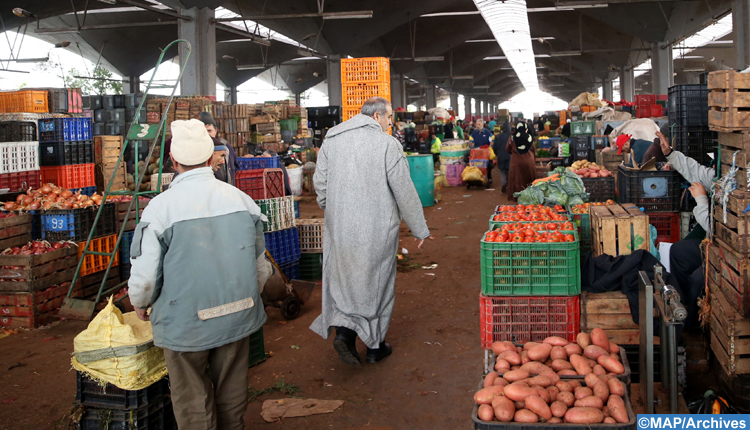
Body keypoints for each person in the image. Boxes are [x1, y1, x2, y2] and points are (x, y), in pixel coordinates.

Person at [128, 119, 266, 429]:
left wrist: (140, 303)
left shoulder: (160, 209)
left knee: (193, 401)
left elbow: (147, 277)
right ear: (209, 158)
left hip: (186, 324)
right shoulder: (242, 201)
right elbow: (260, 268)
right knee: (232, 395)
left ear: (174, 161)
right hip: (238, 314)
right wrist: (246, 296)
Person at [310, 97, 430, 365]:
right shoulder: (387, 144)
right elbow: (404, 190)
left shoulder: (332, 139)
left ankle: (344, 333)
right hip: (377, 227)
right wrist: (419, 229)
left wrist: (332, 210)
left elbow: (320, 182)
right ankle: (375, 347)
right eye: (389, 117)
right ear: (377, 116)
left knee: (344, 279)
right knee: (378, 282)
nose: (390, 123)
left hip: (339, 226)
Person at [656, 131, 712, 329]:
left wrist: (701, 199)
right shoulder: (729, 176)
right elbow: (698, 172)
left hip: (727, 252)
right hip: (714, 245)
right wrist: (670, 153)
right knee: (679, 251)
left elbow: (712, 227)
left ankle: (690, 327)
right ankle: (682, 307)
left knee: (698, 277)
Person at [200, 111, 240, 185]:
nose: (207, 134)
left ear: (215, 131)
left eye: (209, 131)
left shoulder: (225, 146)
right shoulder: (198, 148)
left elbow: (235, 165)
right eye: (204, 131)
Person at [506, 122, 537, 201]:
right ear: (526, 129)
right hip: (529, 161)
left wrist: (515, 153)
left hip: (516, 161)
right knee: (529, 178)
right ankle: (530, 197)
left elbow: (507, 149)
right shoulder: (530, 137)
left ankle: (517, 197)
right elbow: (533, 150)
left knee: (517, 179)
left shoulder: (512, 138)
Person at [492, 121, 513, 194]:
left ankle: (504, 183)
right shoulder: (512, 136)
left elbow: (494, 147)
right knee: (510, 171)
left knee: (503, 171)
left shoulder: (498, 136)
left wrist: (497, 154)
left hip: (501, 156)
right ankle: (510, 186)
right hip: (510, 156)